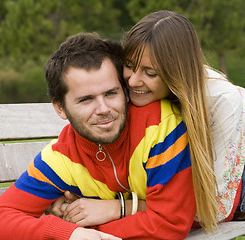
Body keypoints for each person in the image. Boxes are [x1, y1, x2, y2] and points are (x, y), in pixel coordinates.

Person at [0, 32, 196, 240]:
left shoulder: (159, 125)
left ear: (124, 89)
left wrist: (86, 230)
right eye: (86, 99)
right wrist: (69, 234)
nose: (103, 109)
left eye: (111, 93)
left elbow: (169, 223)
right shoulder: (60, 158)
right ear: (60, 107)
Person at [51, 10, 245, 233]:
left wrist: (121, 207)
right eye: (130, 65)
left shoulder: (221, 101)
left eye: (150, 73)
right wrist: (64, 195)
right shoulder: (131, 90)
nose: (133, 81)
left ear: (176, 72)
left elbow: (217, 208)